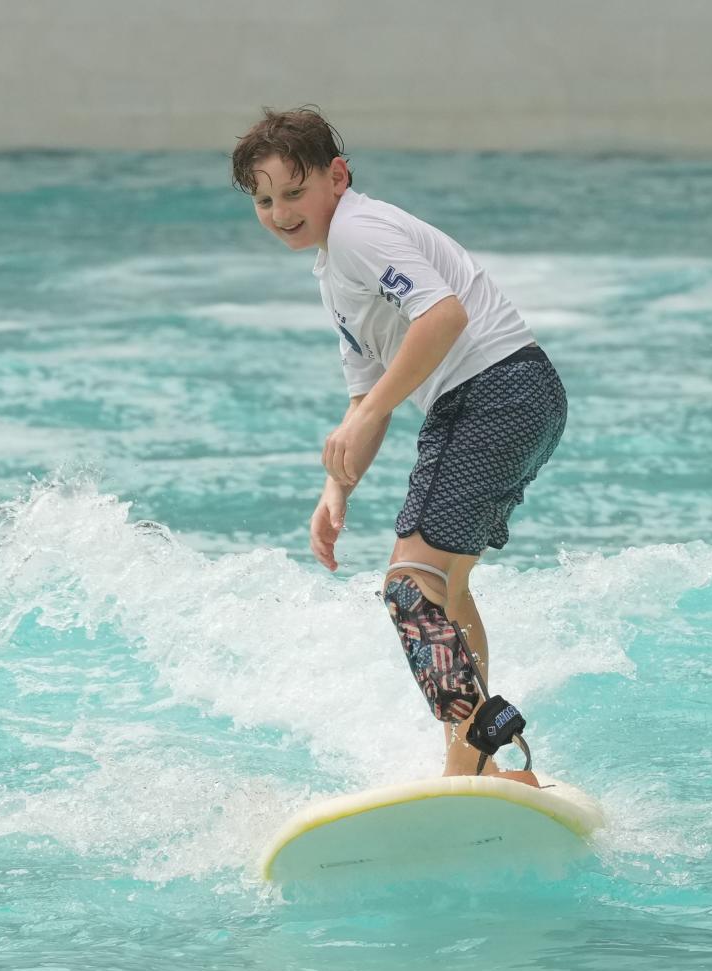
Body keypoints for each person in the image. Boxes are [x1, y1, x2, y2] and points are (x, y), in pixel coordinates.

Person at [231, 108, 567, 786]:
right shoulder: (336, 267)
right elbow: (366, 395)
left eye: (294, 192)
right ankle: (485, 762)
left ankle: (470, 765)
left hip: (492, 390)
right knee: (444, 588)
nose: (280, 211)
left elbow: (444, 315)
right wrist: (338, 489)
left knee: (409, 590)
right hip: (510, 392)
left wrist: (375, 410)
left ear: (337, 176)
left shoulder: (358, 231)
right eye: (264, 199)